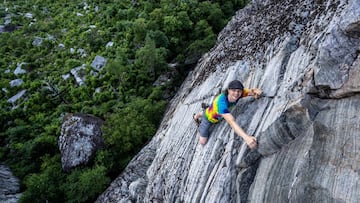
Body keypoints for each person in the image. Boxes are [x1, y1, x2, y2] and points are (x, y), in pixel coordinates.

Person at [193, 80, 262, 149]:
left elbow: (252, 91)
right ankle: (199, 122)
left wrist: (256, 92)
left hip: (213, 111)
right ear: (228, 90)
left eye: (239, 91)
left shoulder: (239, 94)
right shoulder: (221, 104)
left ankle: (198, 115)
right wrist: (247, 138)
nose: (236, 93)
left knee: (209, 111)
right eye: (234, 90)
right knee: (203, 142)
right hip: (209, 119)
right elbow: (231, 121)